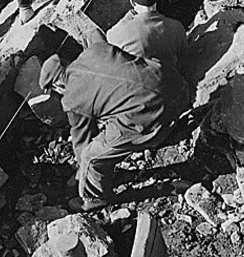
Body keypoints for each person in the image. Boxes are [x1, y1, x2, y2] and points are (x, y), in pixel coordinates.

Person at [38, 35, 189, 212]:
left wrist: (82, 173)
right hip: (177, 86)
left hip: (153, 113)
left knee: (91, 157)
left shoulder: (71, 99)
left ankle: (95, 198)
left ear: (57, 86)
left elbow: (81, 142)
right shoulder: (95, 51)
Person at [106, 0, 187, 72]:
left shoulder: (120, 33)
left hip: (137, 81)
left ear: (132, 2)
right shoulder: (177, 28)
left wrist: (129, 16)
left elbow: (109, 37)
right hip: (171, 80)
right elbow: (183, 57)